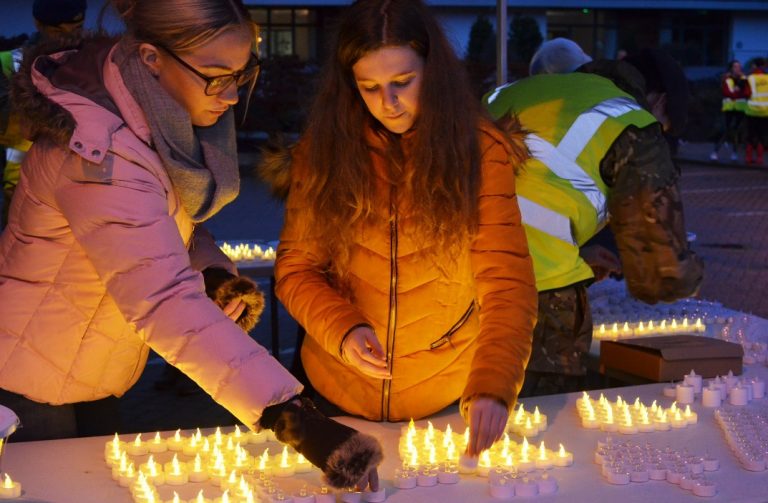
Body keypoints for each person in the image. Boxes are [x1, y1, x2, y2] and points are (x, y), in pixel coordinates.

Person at [0, 0, 380, 490]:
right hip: (30, 376)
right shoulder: (101, 153)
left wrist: (209, 271)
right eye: (216, 77)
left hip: (90, 362)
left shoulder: (154, 122)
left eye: (242, 75)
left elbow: (163, 227)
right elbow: (162, 300)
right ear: (152, 59)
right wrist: (296, 421)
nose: (231, 96)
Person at [271, 0, 537, 458]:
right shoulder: (323, 151)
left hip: (443, 392)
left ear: (433, 72)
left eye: (402, 82)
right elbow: (296, 269)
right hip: (336, 390)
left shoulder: (478, 151)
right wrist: (342, 329)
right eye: (369, 87)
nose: (388, 103)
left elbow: (506, 281)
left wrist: (494, 383)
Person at [483, 39, 703, 396]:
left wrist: (580, 258)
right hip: (532, 297)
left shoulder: (515, 92)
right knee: (538, 413)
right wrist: (689, 275)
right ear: (660, 102)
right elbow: (659, 276)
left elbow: (526, 193)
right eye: (665, 127)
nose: (660, 134)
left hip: (452, 281)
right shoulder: (630, 120)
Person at [0, 0, 88, 228]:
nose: (68, 36)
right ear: (38, 23)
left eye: (77, 27)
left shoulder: (97, 61)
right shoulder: (10, 62)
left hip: (82, 176)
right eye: (58, 30)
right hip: (23, 181)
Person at [710, 60, 748, 162]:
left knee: (736, 131)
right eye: (735, 66)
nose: (738, 68)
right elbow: (727, 93)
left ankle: (734, 153)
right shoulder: (727, 79)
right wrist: (737, 92)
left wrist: (737, 92)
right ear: (731, 68)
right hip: (729, 108)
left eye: (739, 66)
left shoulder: (744, 79)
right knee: (726, 130)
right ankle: (715, 152)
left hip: (740, 108)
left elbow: (747, 92)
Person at [744, 57, 768, 165]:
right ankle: (760, 158)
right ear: (763, 66)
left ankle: (748, 158)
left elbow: (746, 93)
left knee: (751, 135)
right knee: (762, 135)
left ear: (755, 65)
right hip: (765, 111)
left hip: (752, 110)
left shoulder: (750, 78)